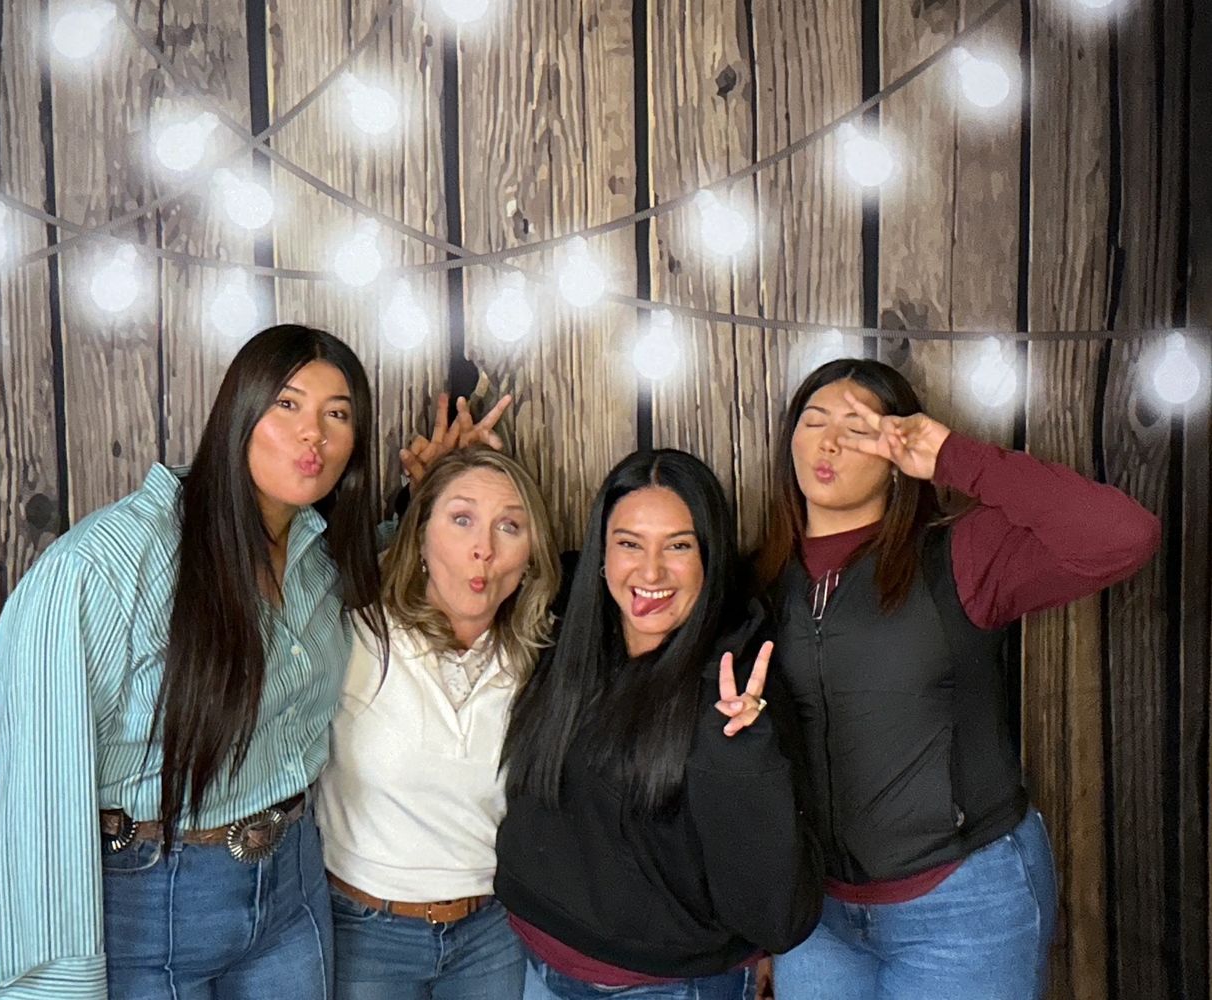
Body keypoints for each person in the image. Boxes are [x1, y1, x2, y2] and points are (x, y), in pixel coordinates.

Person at [0, 325, 503, 999]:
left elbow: (402, 566)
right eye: (286, 404)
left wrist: (435, 494)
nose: (311, 433)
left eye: (337, 414)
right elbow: (39, 807)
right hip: (148, 903)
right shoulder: (102, 572)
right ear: (238, 412)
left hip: (290, 889)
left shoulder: (322, 554)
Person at [760, 358, 1162, 1000]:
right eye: (813, 421)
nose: (829, 441)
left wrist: (951, 456)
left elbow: (1124, 536)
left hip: (962, 904)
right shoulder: (756, 581)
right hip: (817, 917)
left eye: (859, 428)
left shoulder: (959, 557)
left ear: (898, 453)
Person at [496, 449, 823, 1000]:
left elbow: (776, 917)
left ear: (709, 558)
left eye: (678, 546)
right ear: (601, 554)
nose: (650, 572)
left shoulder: (736, 683)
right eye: (629, 544)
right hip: (533, 965)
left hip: (666, 987)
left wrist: (742, 758)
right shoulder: (568, 637)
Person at [316, 446, 561, 999]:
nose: (484, 550)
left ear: (531, 557)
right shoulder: (356, 634)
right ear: (420, 537)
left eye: (510, 526)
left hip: (491, 934)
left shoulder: (543, 663)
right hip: (365, 931)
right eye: (462, 519)